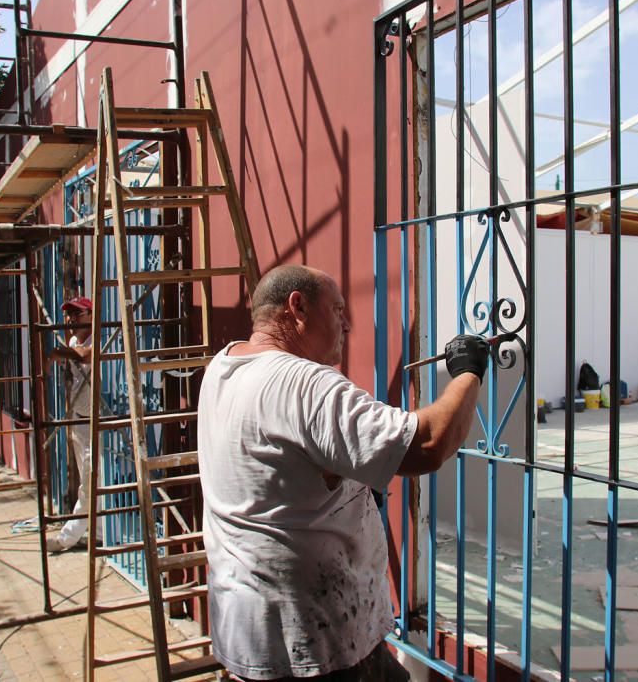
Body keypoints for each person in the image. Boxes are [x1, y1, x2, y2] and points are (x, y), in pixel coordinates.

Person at [197, 265, 489, 681]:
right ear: (296, 307)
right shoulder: (303, 383)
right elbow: (426, 445)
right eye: (336, 310)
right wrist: (468, 372)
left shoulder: (223, 366)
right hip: (315, 645)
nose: (347, 323)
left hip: (251, 628)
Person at [45, 296, 100, 553]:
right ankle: (99, 533)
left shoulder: (99, 338)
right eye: (69, 315)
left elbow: (88, 356)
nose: (71, 320)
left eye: (77, 314)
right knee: (90, 480)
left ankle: (67, 538)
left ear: (91, 314)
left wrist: (58, 353)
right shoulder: (72, 341)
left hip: (98, 421)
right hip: (79, 420)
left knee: (88, 485)